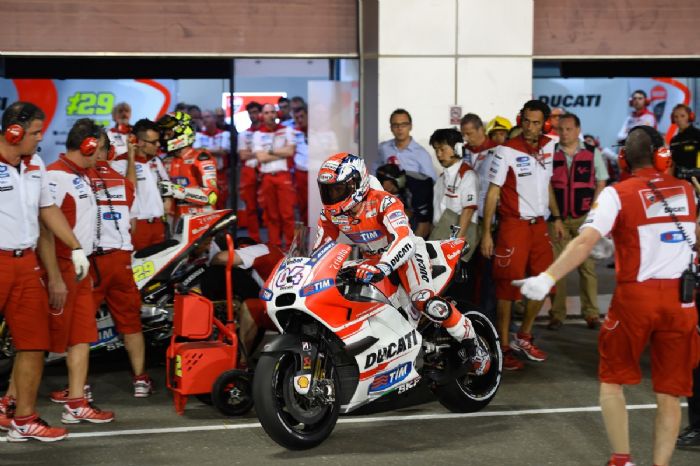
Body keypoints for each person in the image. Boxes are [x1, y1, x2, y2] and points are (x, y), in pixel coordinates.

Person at [514, 125, 698, 466]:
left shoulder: (617, 193)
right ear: (663, 157)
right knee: (670, 393)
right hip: (680, 301)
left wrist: (548, 276)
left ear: (623, 159)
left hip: (636, 300)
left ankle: (622, 459)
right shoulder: (687, 190)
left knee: (612, 380)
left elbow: (585, 241)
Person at [315, 152, 491, 376]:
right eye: (327, 190)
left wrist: (384, 266)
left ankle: (473, 343)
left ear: (355, 184)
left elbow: (403, 239)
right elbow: (319, 250)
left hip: (407, 253)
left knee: (424, 300)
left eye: (337, 189)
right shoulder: (330, 214)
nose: (331, 196)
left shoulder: (384, 201)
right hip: (372, 259)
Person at [0, 102, 89, 442]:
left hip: (26, 263)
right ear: (13, 132)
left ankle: (23, 419)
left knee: (34, 343)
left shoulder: (35, 163)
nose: (40, 139)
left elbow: (47, 209)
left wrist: (75, 246)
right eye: (35, 133)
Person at [480, 99, 564, 371]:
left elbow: (547, 185)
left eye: (536, 123)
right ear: (520, 120)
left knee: (545, 281)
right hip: (512, 225)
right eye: (526, 121)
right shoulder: (505, 151)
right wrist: (487, 233)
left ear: (545, 124)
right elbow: (492, 193)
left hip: (540, 226)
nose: (530, 127)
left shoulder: (549, 146)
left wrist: (557, 217)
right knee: (507, 288)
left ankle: (524, 336)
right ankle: (504, 347)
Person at [44, 118, 115, 423]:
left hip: (80, 266)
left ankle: (76, 402)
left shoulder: (81, 175)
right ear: (88, 146)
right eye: (101, 147)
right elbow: (44, 229)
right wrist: (54, 276)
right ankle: (11, 402)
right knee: (38, 342)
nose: (104, 154)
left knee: (82, 336)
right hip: (61, 266)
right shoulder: (55, 176)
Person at [87, 133, 153, 397]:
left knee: (82, 325)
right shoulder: (123, 183)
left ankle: (80, 387)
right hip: (122, 260)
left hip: (93, 261)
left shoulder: (81, 178)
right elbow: (132, 225)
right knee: (131, 323)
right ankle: (140, 380)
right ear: (109, 152)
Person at [547, 112, 609, 331]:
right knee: (557, 269)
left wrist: (593, 215)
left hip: (584, 218)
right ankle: (557, 315)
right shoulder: (551, 152)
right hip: (558, 220)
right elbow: (547, 186)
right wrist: (556, 217)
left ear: (578, 130)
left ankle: (591, 313)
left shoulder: (592, 153)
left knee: (587, 268)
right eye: (561, 129)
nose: (564, 133)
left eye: (569, 129)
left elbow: (601, 182)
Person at [376, 109, 436, 238]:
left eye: (403, 124)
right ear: (391, 127)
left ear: (410, 126)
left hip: (413, 210)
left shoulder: (421, 153)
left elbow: (431, 183)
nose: (400, 128)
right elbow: (374, 175)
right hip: (386, 207)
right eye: (396, 125)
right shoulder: (383, 149)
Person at [113, 118, 170, 250]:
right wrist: (131, 157)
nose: (158, 145)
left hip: (158, 222)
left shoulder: (156, 160)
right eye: (153, 142)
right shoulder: (120, 162)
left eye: (158, 141)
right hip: (138, 224)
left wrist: (168, 199)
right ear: (137, 141)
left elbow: (165, 183)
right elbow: (129, 189)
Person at [427, 129, 479, 262]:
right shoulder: (441, 179)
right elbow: (436, 215)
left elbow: (468, 211)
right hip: (439, 237)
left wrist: (456, 244)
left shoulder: (467, 175)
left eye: (442, 149)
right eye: (436, 149)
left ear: (457, 148)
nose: (439, 154)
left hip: (456, 242)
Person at [157, 111, 219, 218]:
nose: (165, 138)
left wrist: (175, 190)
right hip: (175, 220)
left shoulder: (201, 158)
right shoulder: (166, 160)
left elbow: (211, 196)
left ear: (182, 134)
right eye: (164, 135)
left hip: (201, 219)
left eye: (169, 134)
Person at [253, 103, 296, 249]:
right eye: (266, 113)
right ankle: (275, 247)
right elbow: (261, 158)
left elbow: (290, 152)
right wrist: (280, 152)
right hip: (266, 177)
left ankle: (290, 247)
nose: (270, 115)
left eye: (272, 112)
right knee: (271, 215)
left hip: (283, 176)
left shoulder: (287, 130)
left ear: (277, 114)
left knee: (287, 214)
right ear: (262, 116)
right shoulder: (258, 134)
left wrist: (270, 151)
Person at [195, 109, 232, 209]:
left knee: (221, 202)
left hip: (220, 174)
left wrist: (204, 150)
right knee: (207, 204)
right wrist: (216, 150)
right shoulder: (198, 135)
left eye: (207, 117)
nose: (204, 120)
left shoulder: (225, 134)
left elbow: (223, 151)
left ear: (214, 118)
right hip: (203, 175)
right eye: (202, 118)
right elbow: (197, 152)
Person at [237, 102, 263, 242]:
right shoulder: (244, 134)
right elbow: (243, 155)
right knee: (251, 207)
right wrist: (261, 153)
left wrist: (252, 153)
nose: (253, 115)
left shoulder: (267, 132)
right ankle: (255, 239)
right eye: (250, 113)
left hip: (266, 169)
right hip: (249, 171)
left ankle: (273, 241)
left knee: (270, 209)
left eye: (255, 112)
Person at [669, 104, 700, 175]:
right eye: (676, 117)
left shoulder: (697, 135)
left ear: (690, 117)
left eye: (682, 116)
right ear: (673, 119)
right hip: (678, 179)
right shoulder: (674, 141)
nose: (679, 119)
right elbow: (672, 164)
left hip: (696, 179)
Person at [292, 105, 309, 225]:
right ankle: (305, 231)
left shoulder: (319, 132)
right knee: (302, 205)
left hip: (317, 172)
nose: (299, 120)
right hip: (300, 173)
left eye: (302, 116)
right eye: (297, 118)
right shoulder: (293, 133)